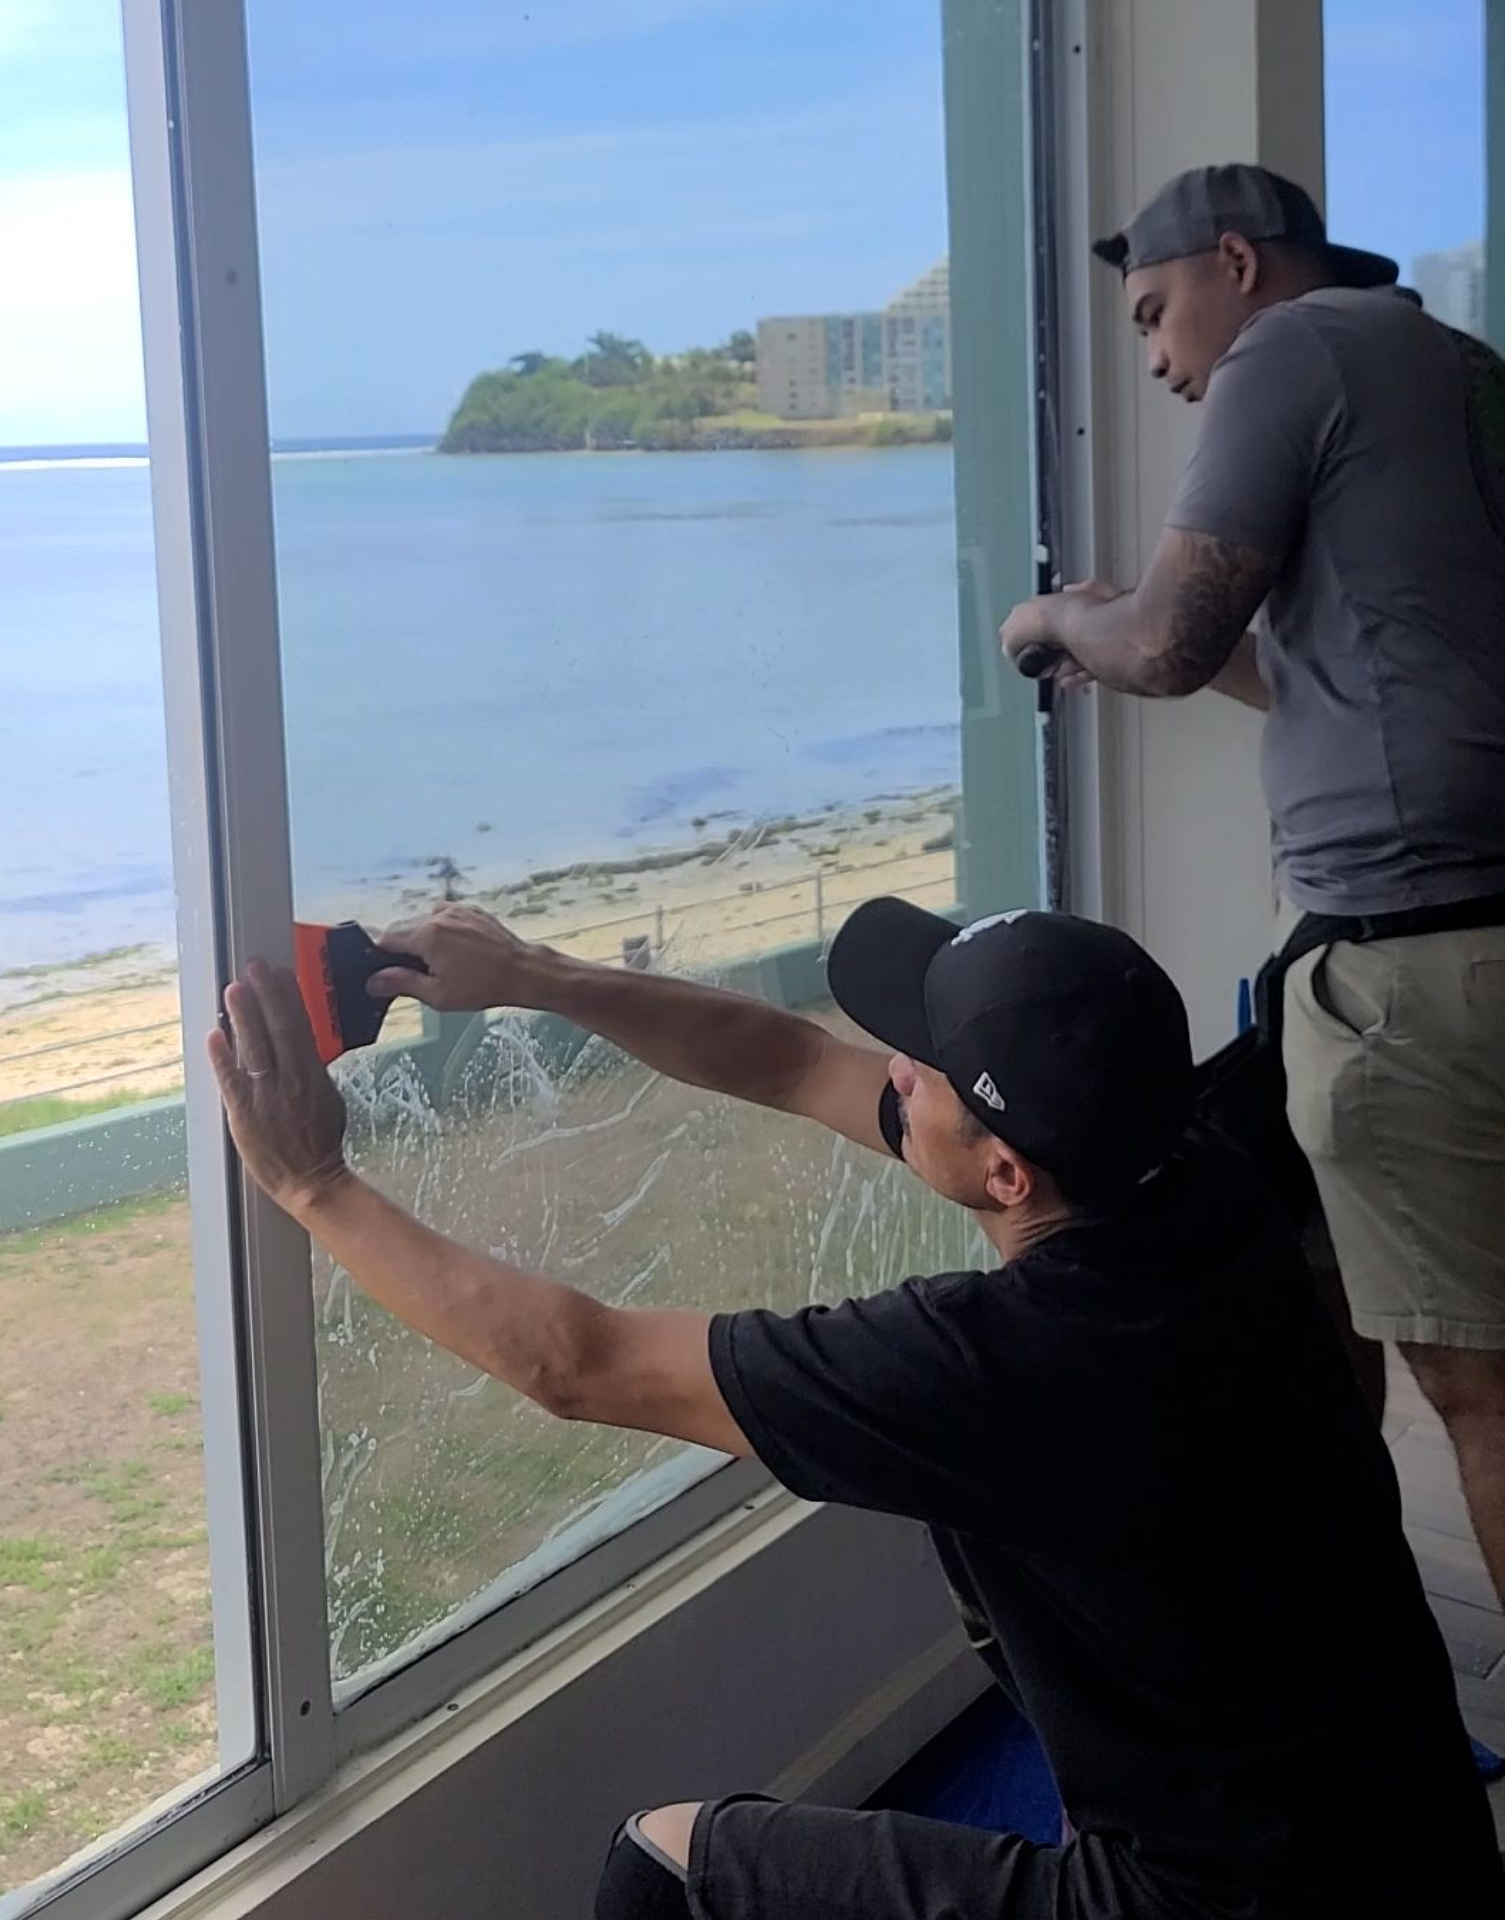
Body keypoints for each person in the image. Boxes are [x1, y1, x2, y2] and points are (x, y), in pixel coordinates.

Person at [210, 898, 1502, 1918]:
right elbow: (785, 1060)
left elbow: (576, 1362)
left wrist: (313, 1178)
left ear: (1003, 1167)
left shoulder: (1009, 1365)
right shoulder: (1196, 1178)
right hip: (1416, 1843)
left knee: (668, 1867)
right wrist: (537, 976)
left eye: (923, 1067)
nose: (889, 1068)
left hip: (1211, 1901)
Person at [999, 161, 1505, 1610]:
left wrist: (1055, 620)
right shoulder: (1453, 365)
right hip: (1457, 933)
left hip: (1412, 964)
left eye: (1158, 315)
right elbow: (1301, 673)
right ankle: (1342, 1676)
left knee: (1482, 1394)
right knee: (1315, 1292)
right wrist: (1124, 620)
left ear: (1238, 262)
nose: (1157, 361)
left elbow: (1163, 645)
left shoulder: (1292, 349)